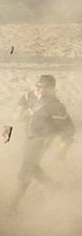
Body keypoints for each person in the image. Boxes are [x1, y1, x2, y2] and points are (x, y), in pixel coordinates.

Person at [10, 74, 74, 210]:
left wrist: (63, 148)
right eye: (38, 86)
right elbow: (23, 100)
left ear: (52, 89)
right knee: (32, 168)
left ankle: (12, 206)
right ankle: (54, 187)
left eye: (44, 88)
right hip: (28, 137)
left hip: (41, 141)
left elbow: (69, 129)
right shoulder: (32, 95)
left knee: (26, 170)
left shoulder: (56, 107)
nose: (40, 90)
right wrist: (19, 110)